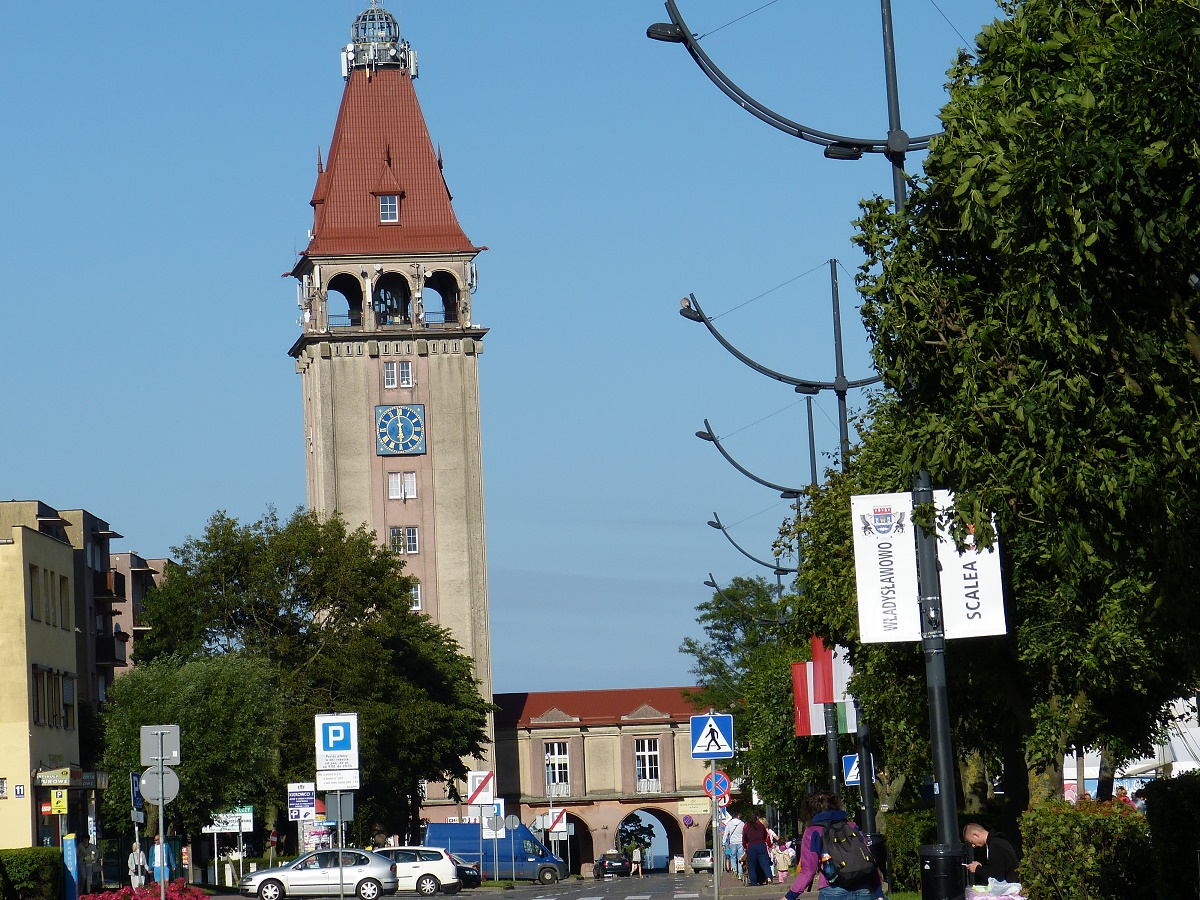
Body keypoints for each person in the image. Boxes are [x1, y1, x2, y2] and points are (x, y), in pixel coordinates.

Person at [783, 791, 884, 900]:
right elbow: (869, 859)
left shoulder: (813, 832)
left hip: (833, 890)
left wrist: (789, 897)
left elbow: (808, 871)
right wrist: (879, 894)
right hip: (863, 889)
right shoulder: (851, 826)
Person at [742, 810, 773, 886]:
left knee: (752, 865)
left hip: (751, 846)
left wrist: (746, 847)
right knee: (765, 863)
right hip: (761, 845)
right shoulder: (761, 826)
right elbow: (765, 835)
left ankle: (754, 882)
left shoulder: (746, 827)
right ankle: (769, 877)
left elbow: (744, 839)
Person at [724, 814, 745, 879]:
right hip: (740, 842)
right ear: (738, 816)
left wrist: (723, 843)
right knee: (740, 858)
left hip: (733, 842)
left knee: (733, 857)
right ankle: (740, 874)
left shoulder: (729, 824)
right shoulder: (742, 823)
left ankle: (735, 870)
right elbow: (744, 833)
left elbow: (726, 833)